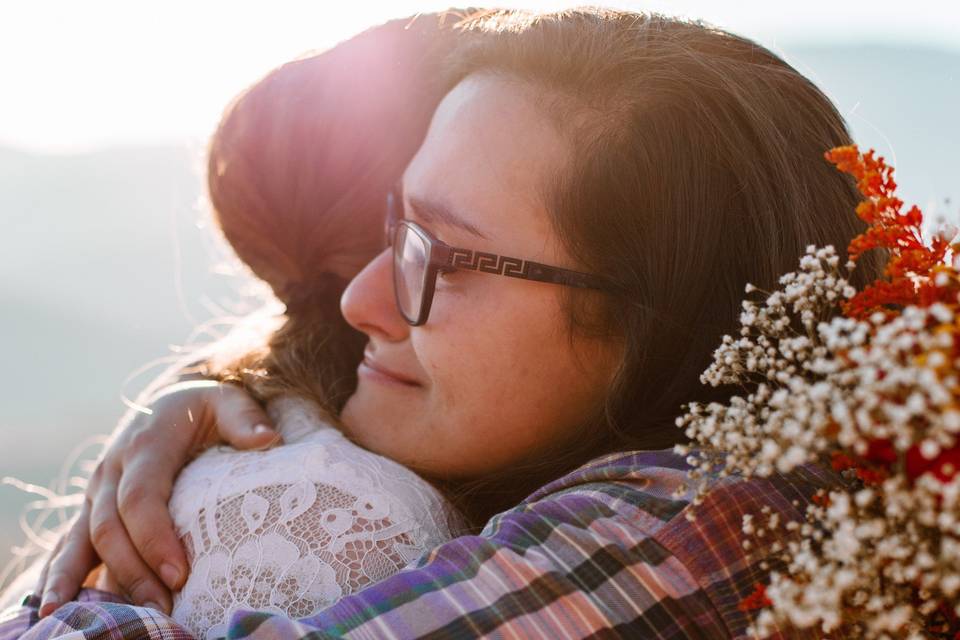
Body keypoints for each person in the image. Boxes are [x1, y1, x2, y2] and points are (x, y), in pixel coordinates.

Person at [3, 7, 884, 639]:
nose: (361, 302)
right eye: (397, 227)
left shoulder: (704, 523)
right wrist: (229, 391)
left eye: (449, 261)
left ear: (664, 327)